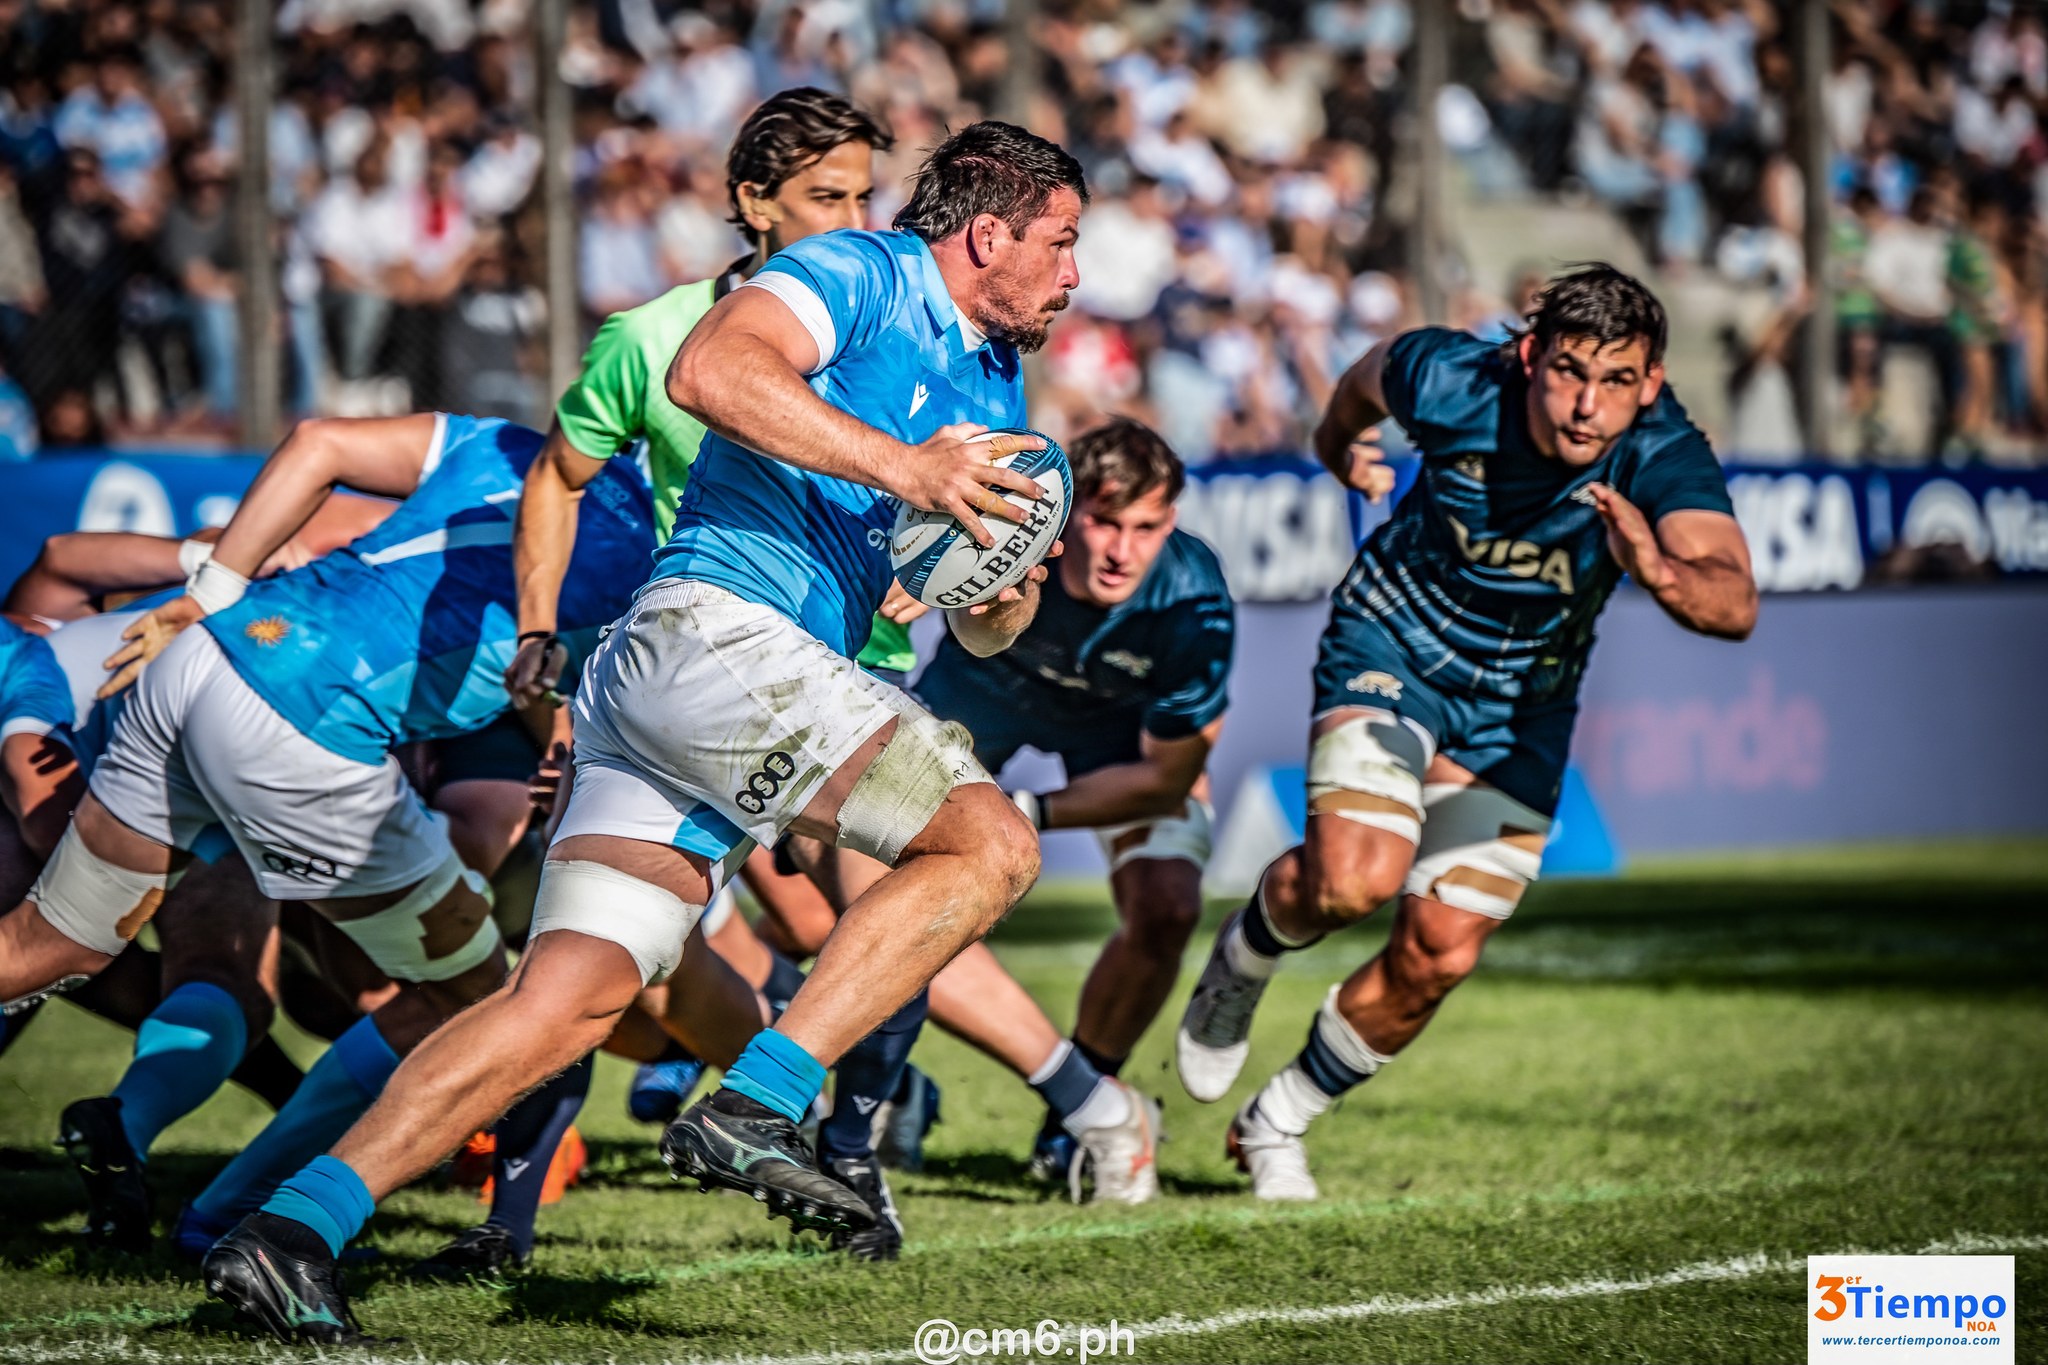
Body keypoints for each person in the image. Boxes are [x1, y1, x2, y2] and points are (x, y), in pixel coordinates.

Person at [198, 120, 1102, 1344]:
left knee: (561, 1005)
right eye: (1059, 242)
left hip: (677, 683)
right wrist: (909, 473)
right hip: (724, 639)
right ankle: (763, 1103)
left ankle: (290, 1229)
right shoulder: (861, 270)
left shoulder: (998, 380)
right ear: (985, 233)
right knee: (987, 847)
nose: (1073, 273)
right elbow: (709, 376)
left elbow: (981, 621)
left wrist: (996, 590)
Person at [1177, 265, 1757, 1199]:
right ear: (1529, 356)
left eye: (1617, 382)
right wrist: (1340, 445)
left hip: (1522, 704)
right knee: (1352, 879)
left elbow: (1733, 601)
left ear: (1650, 383)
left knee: (1442, 948)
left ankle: (1278, 1118)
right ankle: (1240, 961)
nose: (1586, 406)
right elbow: (1367, 376)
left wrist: (1659, 567)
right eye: (1569, 372)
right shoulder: (1454, 377)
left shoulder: (1660, 450)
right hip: (1394, 642)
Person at [909, 417, 1231, 1194]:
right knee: (864, 876)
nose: (1124, 548)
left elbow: (1162, 780)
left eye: (1147, 527)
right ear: (1067, 509)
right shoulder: (1007, 533)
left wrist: (1025, 811)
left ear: (1172, 523)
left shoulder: (1194, 599)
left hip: (1118, 742)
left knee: (1167, 907)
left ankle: (1078, 1111)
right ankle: (875, 1087)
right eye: (1105, 521)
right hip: (982, 696)